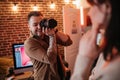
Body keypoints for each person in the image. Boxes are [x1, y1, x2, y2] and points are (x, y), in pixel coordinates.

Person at [70, 0, 120, 80]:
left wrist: (84, 57)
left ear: (107, 7)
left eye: (93, 6)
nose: (89, 13)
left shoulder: (113, 72)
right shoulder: (110, 47)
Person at [24, 11, 73, 80]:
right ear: (29, 26)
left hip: (60, 75)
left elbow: (68, 42)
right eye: (35, 25)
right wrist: (52, 37)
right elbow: (50, 59)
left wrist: (55, 30)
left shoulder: (47, 35)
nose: (39, 27)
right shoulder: (30, 43)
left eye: (40, 24)